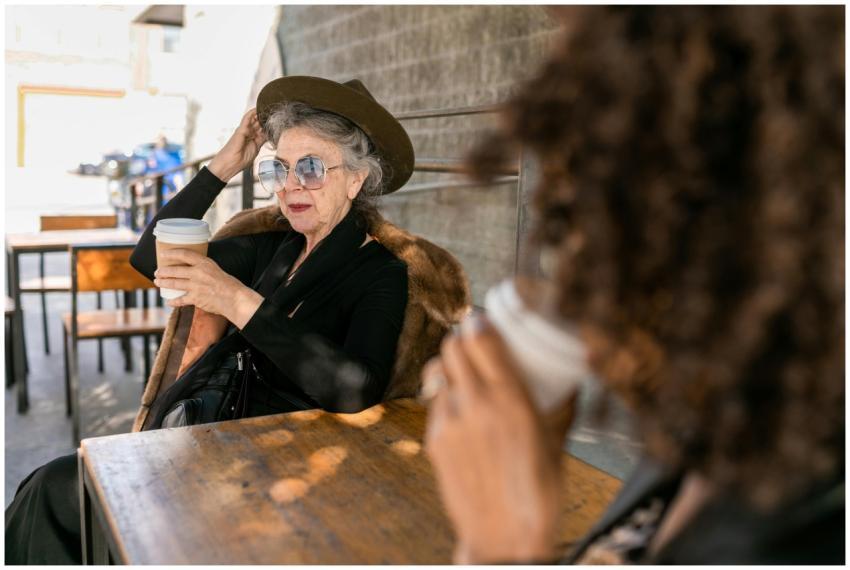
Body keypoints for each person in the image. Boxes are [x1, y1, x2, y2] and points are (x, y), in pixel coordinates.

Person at [423, 5, 844, 564]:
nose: (572, 279)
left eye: (607, 226)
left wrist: (500, 549)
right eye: (566, 221)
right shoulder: (721, 434)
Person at [6, 76, 415, 564]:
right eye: (278, 168)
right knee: (49, 488)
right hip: (206, 431)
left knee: (57, 492)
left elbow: (357, 388)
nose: (289, 186)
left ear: (356, 179)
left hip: (280, 461)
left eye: (310, 168)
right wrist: (224, 165)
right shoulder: (273, 246)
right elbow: (151, 257)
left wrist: (237, 300)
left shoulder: (381, 271)